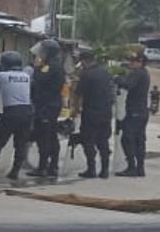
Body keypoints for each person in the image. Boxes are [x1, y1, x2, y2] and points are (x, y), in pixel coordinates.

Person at [0, 51, 33, 181]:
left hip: (11, 112)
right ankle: (15, 171)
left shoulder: (2, 76)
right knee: (20, 143)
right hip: (27, 111)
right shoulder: (26, 76)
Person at [26, 39, 65, 179]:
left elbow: (39, 81)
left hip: (46, 106)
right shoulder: (55, 65)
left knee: (45, 137)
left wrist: (36, 67)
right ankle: (52, 166)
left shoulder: (49, 67)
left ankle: (43, 167)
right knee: (51, 136)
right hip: (50, 105)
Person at [73, 49, 114, 178]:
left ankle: (91, 169)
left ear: (84, 61)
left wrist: (75, 110)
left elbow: (78, 95)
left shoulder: (86, 75)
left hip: (91, 113)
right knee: (103, 141)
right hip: (106, 112)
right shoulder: (106, 73)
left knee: (88, 140)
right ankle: (105, 170)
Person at [115, 52, 150, 177]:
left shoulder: (138, 73)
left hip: (135, 111)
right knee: (139, 140)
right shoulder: (144, 73)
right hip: (141, 111)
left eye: (133, 61)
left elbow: (128, 85)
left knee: (127, 138)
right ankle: (140, 167)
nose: (131, 63)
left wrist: (117, 79)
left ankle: (132, 166)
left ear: (140, 62)